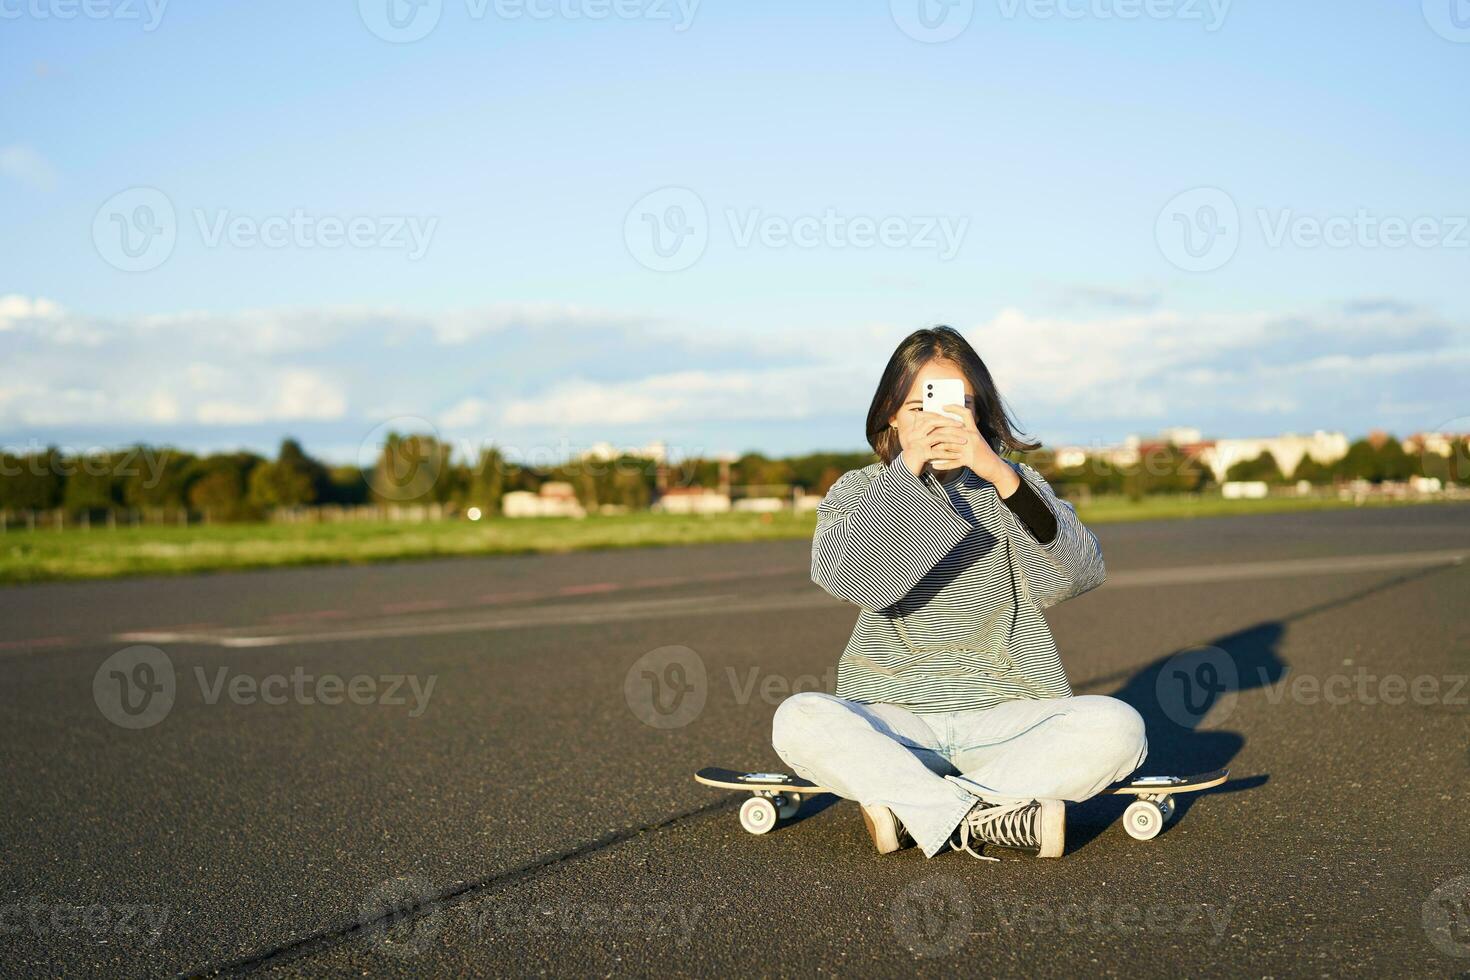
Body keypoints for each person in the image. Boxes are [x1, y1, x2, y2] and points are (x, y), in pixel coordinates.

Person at [771, 326, 1146, 861]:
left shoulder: (1015, 486)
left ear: (980, 414)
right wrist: (908, 476)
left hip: (1008, 715)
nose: (937, 420)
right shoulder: (856, 490)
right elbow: (855, 580)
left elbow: (1077, 574)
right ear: (892, 416)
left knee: (1119, 727)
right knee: (799, 717)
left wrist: (1000, 476)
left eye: (956, 404)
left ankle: (921, 810)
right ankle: (993, 814)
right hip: (895, 717)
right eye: (920, 405)